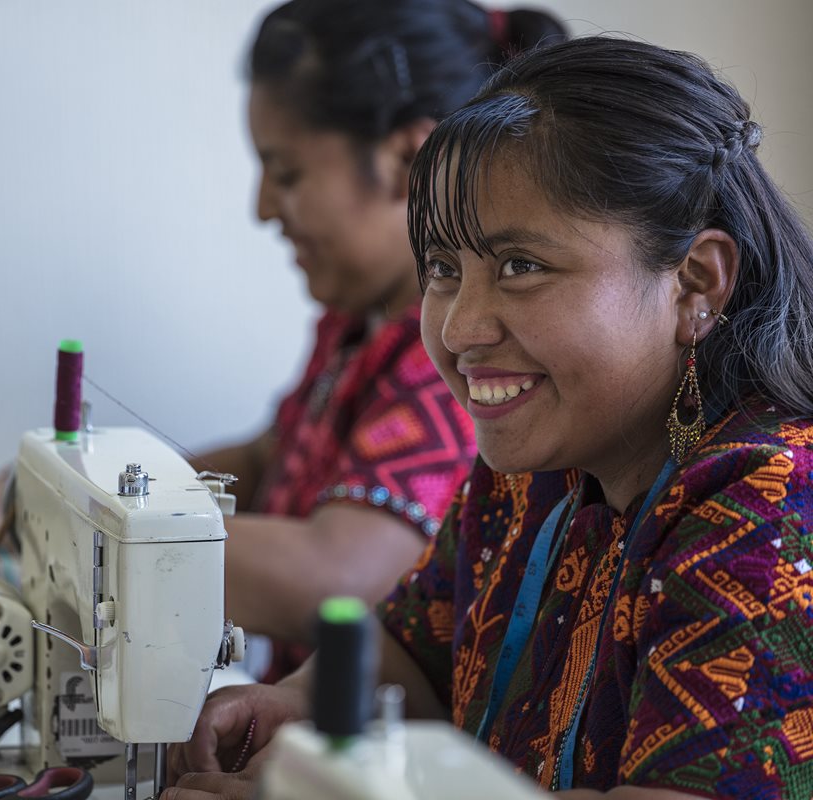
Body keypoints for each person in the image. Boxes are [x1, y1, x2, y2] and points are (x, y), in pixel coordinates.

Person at [166, 35, 813, 799]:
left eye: (520, 267)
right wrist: (299, 704)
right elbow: (415, 649)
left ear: (695, 284)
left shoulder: (771, 507)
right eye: (444, 269)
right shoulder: (534, 470)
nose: (459, 327)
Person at [0, 0, 564, 678]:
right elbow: (268, 458)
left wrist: (63, 520)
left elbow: (340, 578)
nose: (262, 207)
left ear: (406, 160)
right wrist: (47, 487)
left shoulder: (460, 354)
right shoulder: (358, 328)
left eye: (287, 172)